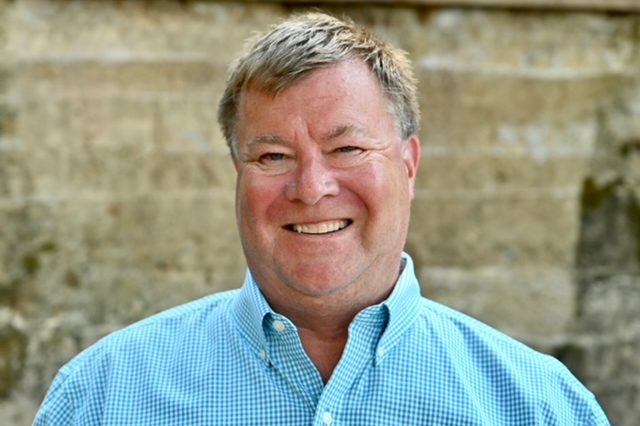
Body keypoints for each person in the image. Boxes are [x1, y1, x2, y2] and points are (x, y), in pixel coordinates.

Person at [34, 12, 610, 425]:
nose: (311, 188)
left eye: (348, 149)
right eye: (273, 156)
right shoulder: (104, 396)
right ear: (237, 171)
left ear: (408, 165)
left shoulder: (538, 406)